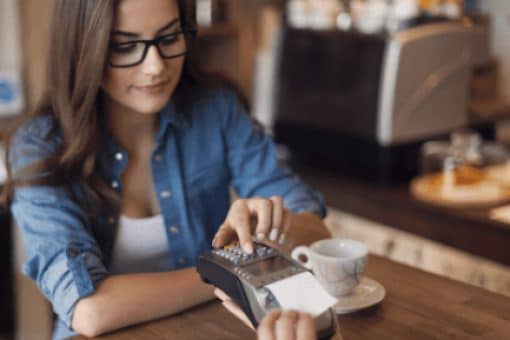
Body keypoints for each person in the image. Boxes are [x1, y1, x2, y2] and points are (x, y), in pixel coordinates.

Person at [1, 0, 330, 339]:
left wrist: (278, 222)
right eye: (125, 46)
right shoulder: (40, 146)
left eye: (169, 38)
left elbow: (315, 230)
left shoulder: (216, 109)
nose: (155, 66)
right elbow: (89, 309)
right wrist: (229, 271)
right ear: (85, 47)